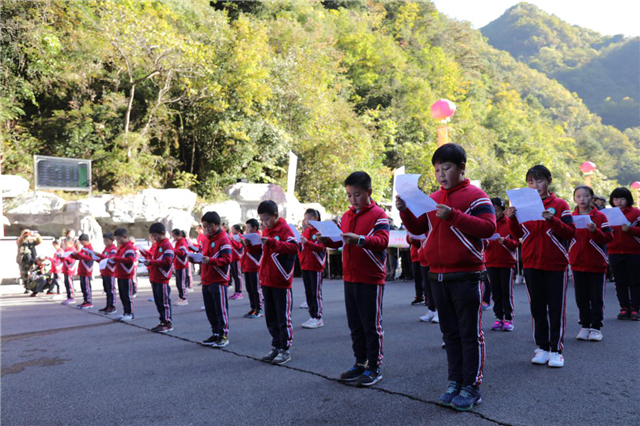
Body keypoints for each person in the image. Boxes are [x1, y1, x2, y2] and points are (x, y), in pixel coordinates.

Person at [398, 144, 495, 410]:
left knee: (469, 334)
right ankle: (454, 381)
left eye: (447, 168)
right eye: (437, 169)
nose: (441, 174)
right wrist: (405, 210)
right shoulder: (431, 198)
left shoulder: (476, 196)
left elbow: (488, 228)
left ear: (462, 168)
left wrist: (454, 215)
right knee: (450, 334)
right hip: (437, 275)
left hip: (467, 275)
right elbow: (419, 228)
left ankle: (471, 387)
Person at [320, 171, 389, 387]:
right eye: (349, 195)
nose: (352, 199)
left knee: (371, 325)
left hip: (371, 277)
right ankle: (360, 362)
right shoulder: (347, 216)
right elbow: (342, 241)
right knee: (355, 324)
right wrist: (327, 241)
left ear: (369, 192)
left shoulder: (379, 215)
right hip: (350, 276)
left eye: (357, 195)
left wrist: (359, 239)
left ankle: (374, 367)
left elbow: (382, 241)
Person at [506, 165, 575, 368]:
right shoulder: (523, 205)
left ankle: (557, 350)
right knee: (537, 308)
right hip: (530, 262)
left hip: (555, 263)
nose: (535, 185)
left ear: (549, 181)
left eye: (539, 181)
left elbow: (570, 233)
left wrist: (553, 220)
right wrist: (511, 218)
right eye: (530, 181)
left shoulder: (560, 205)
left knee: (555, 308)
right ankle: (542, 347)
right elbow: (518, 234)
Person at [257, 201, 299, 365]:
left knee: (283, 317)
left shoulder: (284, 229)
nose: (264, 223)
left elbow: (294, 247)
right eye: (262, 220)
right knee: (271, 316)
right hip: (267, 279)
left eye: (267, 219)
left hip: (281, 281)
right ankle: (275, 345)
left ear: (276, 215)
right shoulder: (266, 230)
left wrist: (274, 243)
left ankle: (285, 349)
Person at [570, 186, 613, 341]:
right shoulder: (570, 216)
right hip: (576, 263)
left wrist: (596, 231)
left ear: (592, 198)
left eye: (586, 196)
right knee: (581, 297)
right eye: (579, 196)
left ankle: (596, 327)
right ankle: (585, 325)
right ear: (574, 198)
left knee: (596, 297)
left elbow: (609, 238)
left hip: (596, 263)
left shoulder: (600, 217)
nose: (582, 199)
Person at [191, 212, 233, 347]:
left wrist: (211, 260)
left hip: (219, 279)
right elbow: (203, 255)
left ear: (217, 225)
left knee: (220, 309)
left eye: (209, 227)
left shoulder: (224, 239)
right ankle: (215, 333)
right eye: (204, 227)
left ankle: (223, 335)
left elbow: (227, 259)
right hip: (206, 278)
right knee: (210, 309)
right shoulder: (205, 239)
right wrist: (195, 258)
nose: (207, 230)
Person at [485, 197, 519, 332]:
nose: (495, 213)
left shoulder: (509, 223)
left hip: (506, 262)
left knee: (506, 292)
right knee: (495, 292)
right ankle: (498, 317)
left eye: (497, 210)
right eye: (492, 211)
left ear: (502, 210)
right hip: (490, 262)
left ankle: (508, 318)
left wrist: (504, 241)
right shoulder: (487, 223)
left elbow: (516, 243)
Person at [607, 187, 640, 320]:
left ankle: (635, 309)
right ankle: (624, 308)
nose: (619, 201)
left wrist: (630, 229)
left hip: (634, 252)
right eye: (616, 198)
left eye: (622, 198)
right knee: (620, 282)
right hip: (614, 252)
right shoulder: (608, 214)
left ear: (628, 199)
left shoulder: (636, 213)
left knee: (635, 281)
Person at [142, 223, 175, 333]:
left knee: (164, 302)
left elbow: (167, 262)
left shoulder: (167, 246)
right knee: (158, 301)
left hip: (162, 278)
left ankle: (167, 323)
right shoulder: (157, 246)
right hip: (154, 277)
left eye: (156, 236)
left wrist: (151, 262)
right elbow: (153, 258)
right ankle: (162, 321)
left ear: (162, 234)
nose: (154, 238)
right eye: (152, 236)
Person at [298, 208, 327, 329]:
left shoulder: (320, 231)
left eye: (309, 219)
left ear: (316, 218)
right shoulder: (306, 232)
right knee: (309, 292)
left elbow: (320, 247)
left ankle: (318, 317)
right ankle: (312, 315)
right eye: (305, 219)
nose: (306, 222)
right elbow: (302, 248)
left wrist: (307, 243)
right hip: (305, 265)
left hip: (315, 265)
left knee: (315, 293)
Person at [112, 229, 137, 322]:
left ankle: (130, 313)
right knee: (122, 295)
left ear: (125, 237)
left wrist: (117, 259)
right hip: (120, 274)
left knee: (127, 295)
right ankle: (125, 312)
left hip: (127, 275)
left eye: (119, 239)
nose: (118, 241)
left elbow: (130, 260)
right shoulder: (121, 247)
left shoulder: (129, 247)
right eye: (116, 239)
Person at [241, 218, 263, 318]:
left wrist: (248, 244)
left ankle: (259, 309)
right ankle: (253, 308)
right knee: (249, 289)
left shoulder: (257, 237)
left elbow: (256, 251)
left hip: (254, 266)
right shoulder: (249, 238)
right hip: (247, 266)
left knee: (255, 289)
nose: (246, 230)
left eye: (248, 228)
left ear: (254, 228)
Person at [70, 234, 95, 309]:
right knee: (83, 286)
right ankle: (85, 300)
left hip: (87, 270)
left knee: (87, 287)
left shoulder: (89, 248)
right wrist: (74, 255)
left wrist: (79, 254)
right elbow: (80, 257)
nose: (81, 243)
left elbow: (89, 258)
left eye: (82, 242)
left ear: (86, 241)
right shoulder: (84, 248)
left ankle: (89, 301)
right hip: (82, 270)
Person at [97, 233, 118, 314]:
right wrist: (97, 258)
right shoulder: (106, 248)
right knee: (107, 290)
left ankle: (112, 306)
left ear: (111, 240)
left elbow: (110, 259)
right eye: (104, 241)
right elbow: (103, 259)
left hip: (110, 272)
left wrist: (100, 255)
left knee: (111, 290)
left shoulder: (113, 249)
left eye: (106, 240)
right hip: (104, 271)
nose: (105, 242)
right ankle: (108, 305)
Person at [16, 229, 42, 293]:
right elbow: (18, 242)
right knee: (24, 274)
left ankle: (35, 286)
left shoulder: (31, 240)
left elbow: (39, 241)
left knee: (34, 273)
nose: (27, 234)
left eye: (27, 233)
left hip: (31, 259)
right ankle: (26, 287)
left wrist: (36, 235)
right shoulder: (20, 240)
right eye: (25, 233)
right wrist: (23, 235)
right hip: (23, 259)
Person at [171, 229, 190, 306]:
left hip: (182, 265)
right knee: (178, 283)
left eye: (174, 236)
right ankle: (181, 297)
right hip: (178, 265)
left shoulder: (182, 242)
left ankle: (184, 298)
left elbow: (182, 253)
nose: (173, 238)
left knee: (182, 283)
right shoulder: (178, 243)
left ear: (179, 235)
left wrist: (173, 250)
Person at [407, 233, 424, 305]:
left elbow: (419, 243)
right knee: (417, 278)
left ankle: (428, 297)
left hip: (423, 256)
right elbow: (408, 239)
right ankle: (419, 296)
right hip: (415, 256)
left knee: (425, 279)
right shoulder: (412, 228)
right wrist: (410, 239)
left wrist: (413, 240)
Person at [229, 224, 245, 300]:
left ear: (237, 230)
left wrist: (231, 240)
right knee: (235, 276)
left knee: (238, 276)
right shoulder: (232, 237)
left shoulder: (240, 237)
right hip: (232, 258)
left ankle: (240, 292)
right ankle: (236, 292)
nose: (232, 231)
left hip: (237, 259)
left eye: (233, 229)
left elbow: (238, 246)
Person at [60, 238, 78, 305]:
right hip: (65, 270)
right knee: (66, 283)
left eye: (66, 243)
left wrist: (65, 258)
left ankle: (72, 297)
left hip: (70, 270)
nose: (65, 245)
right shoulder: (67, 250)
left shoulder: (72, 250)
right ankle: (68, 296)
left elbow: (72, 260)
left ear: (70, 243)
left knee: (70, 284)